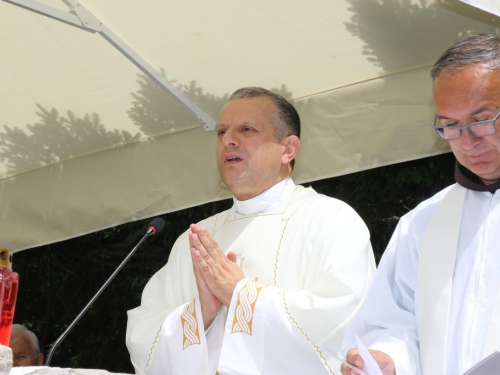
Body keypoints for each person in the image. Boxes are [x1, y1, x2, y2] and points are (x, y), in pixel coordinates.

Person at [126, 87, 375, 374]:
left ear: (288, 149)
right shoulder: (194, 241)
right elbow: (143, 335)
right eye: (221, 133)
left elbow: (344, 321)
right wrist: (199, 314)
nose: (228, 140)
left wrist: (241, 295)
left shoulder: (331, 220)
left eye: (246, 129)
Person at [342, 33, 500, 375]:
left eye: (481, 119)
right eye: (451, 126)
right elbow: (394, 322)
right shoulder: (422, 222)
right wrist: (389, 360)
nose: (468, 141)